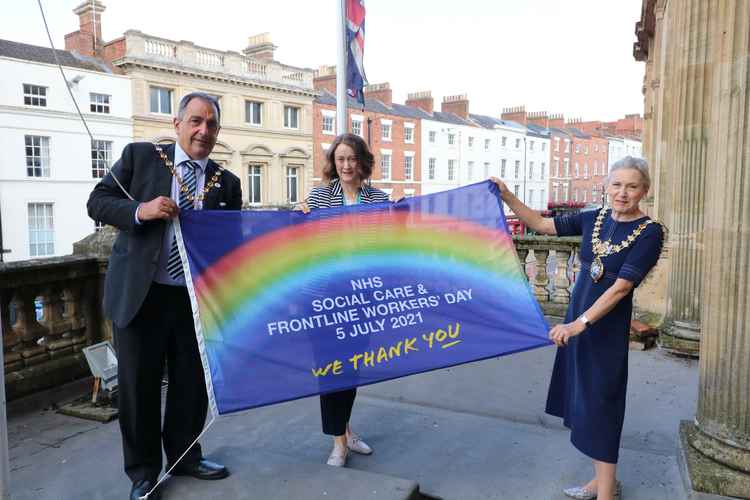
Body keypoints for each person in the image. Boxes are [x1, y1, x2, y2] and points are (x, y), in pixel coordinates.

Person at [87, 92, 242, 500]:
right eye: (195, 121)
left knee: (191, 385)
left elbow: (232, 248)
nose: (202, 130)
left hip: (193, 301)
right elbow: (97, 202)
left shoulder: (227, 183)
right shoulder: (141, 158)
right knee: (138, 388)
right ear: (177, 125)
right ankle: (143, 473)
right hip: (142, 295)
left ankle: (186, 456)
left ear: (217, 132)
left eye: (210, 124)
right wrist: (142, 210)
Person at [492, 156, 664, 500]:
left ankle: (606, 493)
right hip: (577, 323)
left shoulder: (650, 232)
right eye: (617, 184)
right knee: (585, 400)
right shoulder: (594, 218)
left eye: (632, 186)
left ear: (644, 190)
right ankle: (602, 481)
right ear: (606, 186)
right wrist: (507, 197)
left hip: (602, 329)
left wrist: (578, 324)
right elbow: (541, 225)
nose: (623, 193)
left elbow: (621, 288)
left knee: (603, 403)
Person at [303, 133, 389, 467]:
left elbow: (388, 244)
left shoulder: (379, 199)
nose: (346, 165)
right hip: (324, 296)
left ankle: (346, 430)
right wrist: (298, 218)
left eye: (352, 158)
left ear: (363, 162)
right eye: (340, 159)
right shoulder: (319, 197)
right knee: (331, 369)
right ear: (332, 162)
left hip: (362, 297)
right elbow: (304, 242)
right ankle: (339, 443)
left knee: (350, 370)